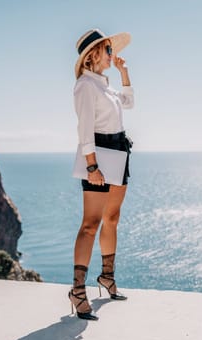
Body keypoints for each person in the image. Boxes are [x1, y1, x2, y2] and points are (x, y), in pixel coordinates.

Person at [68, 29, 134, 321]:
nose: (111, 54)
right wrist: (92, 166)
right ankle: (77, 290)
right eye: (108, 50)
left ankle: (107, 277)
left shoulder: (105, 86)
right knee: (90, 224)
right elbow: (84, 131)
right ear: (93, 54)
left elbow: (129, 103)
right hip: (100, 154)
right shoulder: (85, 85)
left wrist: (124, 73)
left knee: (112, 219)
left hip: (119, 151)